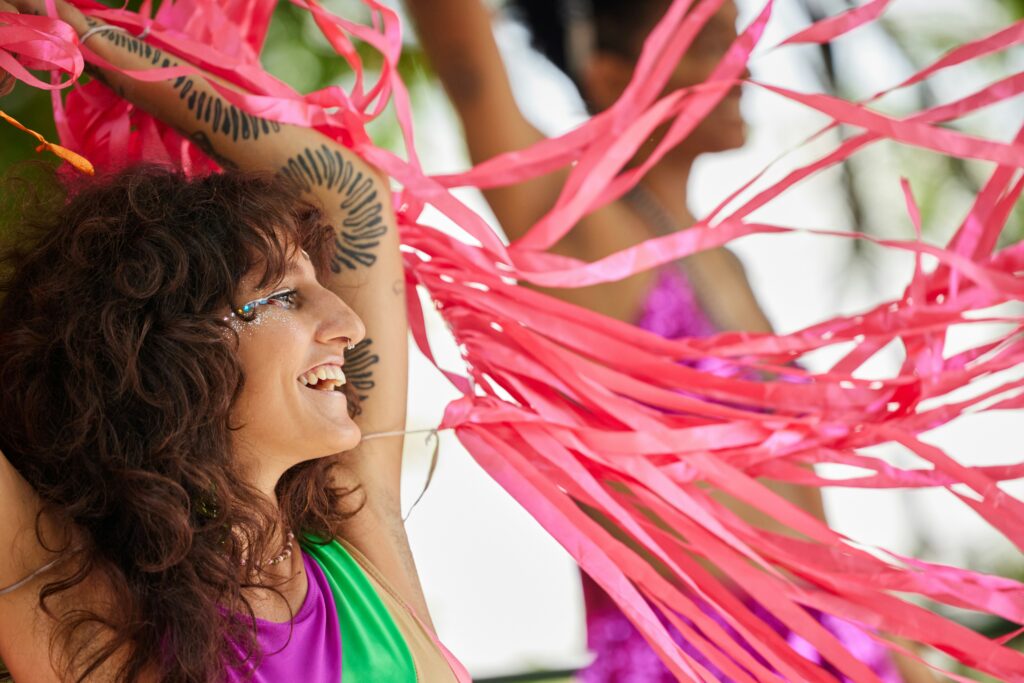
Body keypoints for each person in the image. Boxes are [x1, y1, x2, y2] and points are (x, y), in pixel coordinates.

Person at [406, 1, 940, 680]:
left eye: (735, 40)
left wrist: (884, 641)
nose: (740, 64)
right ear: (608, 75)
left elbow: (790, 493)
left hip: (826, 647)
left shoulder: (727, 259)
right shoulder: (580, 232)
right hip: (693, 659)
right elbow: (469, 67)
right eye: (706, 46)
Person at [0, 0, 468, 681]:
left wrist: (74, 30)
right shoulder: (81, 612)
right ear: (167, 352)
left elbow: (354, 200)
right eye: (283, 294)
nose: (351, 324)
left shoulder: (356, 532)